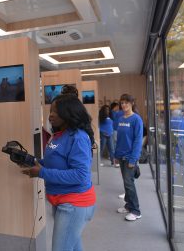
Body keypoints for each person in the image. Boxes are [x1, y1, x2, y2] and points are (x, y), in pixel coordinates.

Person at [22, 94, 96, 251]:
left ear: (68, 112)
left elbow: (81, 175)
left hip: (74, 203)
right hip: (60, 200)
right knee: (73, 246)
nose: (51, 114)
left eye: (56, 111)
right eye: (50, 110)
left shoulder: (78, 137)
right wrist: (35, 162)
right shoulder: (58, 135)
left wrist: (42, 173)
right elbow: (55, 163)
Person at [114, 94, 143, 221]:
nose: (124, 105)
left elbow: (137, 141)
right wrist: (116, 155)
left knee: (129, 183)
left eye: (126, 102)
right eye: (122, 103)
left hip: (130, 157)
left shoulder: (136, 119)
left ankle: (136, 211)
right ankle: (128, 205)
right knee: (126, 183)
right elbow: (119, 139)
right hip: (121, 155)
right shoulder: (120, 118)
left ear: (131, 103)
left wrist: (133, 159)